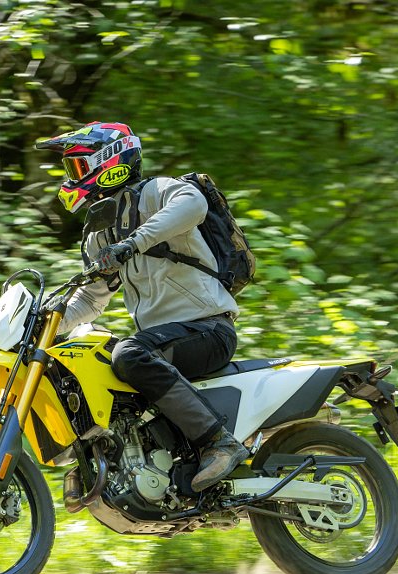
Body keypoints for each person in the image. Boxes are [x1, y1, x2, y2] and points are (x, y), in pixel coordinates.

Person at [35, 121, 248, 492]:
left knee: (129, 353)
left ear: (109, 161)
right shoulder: (100, 231)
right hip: (163, 340)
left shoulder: (156, 192)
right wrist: (45, 324)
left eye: (77, 167)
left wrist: (134, 243)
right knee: (85, 358)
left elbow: (193, 203)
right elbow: (90, 298)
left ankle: (219, 442)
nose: (71, 178)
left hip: (208, 328)